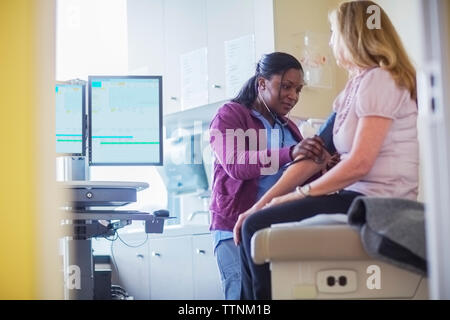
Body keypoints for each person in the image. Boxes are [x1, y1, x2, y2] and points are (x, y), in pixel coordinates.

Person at [233, 0, 419, 300]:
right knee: (252, 221)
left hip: (376, 203)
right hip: (354, 197)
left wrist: (297, 195)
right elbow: (310, 158)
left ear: (350, 35)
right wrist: (261, 203)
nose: (331, 41)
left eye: (333, 32)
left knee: (254, 227)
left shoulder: (381, 79)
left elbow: (359, 163)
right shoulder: (354, 89)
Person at [209, 52, 328, 299]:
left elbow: (297, 178)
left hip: (276, 229)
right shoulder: (230, 115)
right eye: (286, 86)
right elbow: (236, 163)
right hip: (235, 231)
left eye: (298, 89)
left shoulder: (288, 126)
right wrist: (291, 152)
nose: (293, 96)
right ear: (261, 83)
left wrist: (326, 164)